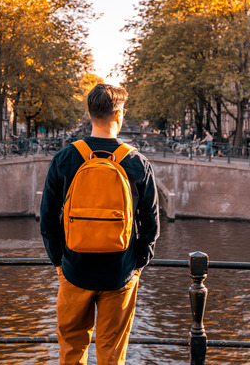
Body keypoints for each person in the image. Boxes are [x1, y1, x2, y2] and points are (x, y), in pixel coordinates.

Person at [40, 83, 160, 364]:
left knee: (71, 349)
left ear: (90, 114)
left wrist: (59, 260)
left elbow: (47, 218)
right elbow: (151, 223)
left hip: (74, 269)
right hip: (119, 272)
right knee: (112, 352)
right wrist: (138, 262)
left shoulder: (65, 159)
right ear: (119, 115)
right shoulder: (137, 163)